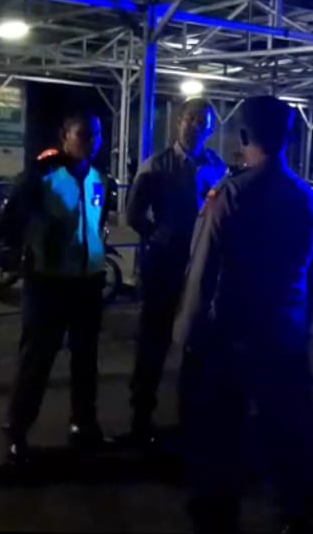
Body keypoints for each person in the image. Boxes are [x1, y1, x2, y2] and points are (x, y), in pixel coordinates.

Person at [174, 96, 313, 534]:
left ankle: (217, 519)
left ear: (243, 136)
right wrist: (300, 335)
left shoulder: (229, 196)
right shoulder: (311, 202)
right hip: (286, 340)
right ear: (290, 138)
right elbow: (312, 284)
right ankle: (296, 517)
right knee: (288, 438)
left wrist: (187, 337)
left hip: (232, 341)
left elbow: (202, 274)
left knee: (221, 441)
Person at [2, 112, 109, 465]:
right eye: (84, 134)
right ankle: (17, 431)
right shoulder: (41, 175)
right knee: (37, 360)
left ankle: (83, 424)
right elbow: (11, 222)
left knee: (85, 360)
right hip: (48, 282)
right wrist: (31, 251)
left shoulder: (99, 178)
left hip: (88, 281)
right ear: (65, 135)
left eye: (97, 134)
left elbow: (97, 223)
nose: (92, 141)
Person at [123, 98, 227, 445]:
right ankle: (141, 416)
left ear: (211, 129)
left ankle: (190, 416)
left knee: (197, 340)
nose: (196, 125)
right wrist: (159, 238)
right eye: (190, 118)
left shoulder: (216, 166)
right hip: (164, 266)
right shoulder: (156, 165)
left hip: (202, 264)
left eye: (203, 121)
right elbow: (134, 214)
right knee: (153, 340)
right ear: (178, 122)